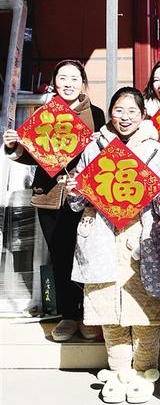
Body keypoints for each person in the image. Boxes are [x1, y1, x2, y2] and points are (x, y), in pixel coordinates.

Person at [66, 87, 160, 403]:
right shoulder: (94, 147)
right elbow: (78, 200)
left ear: (143, 115)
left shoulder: (157, 152)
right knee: (108, 309)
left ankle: (144, 370)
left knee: (143, 311)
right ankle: (118, 371)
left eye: (132, 111)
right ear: (110, 113)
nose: (125, 117)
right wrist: (76, 191)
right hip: (102, 235)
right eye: (118, 110)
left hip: (142, 238)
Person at [3, 59, 105, 342]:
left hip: (83, 198)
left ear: (83, 84)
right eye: (63, 78)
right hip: (49, 196)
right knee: (60, 256)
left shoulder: (96, 114)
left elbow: (107, 157)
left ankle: (88, 315)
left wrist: (99, 142)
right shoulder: (44, 114)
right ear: (55, 82)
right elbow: (32, 155)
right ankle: (68, 316)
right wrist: (14, 146)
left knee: (86, 256)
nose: (68, 83)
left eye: (74, 78)